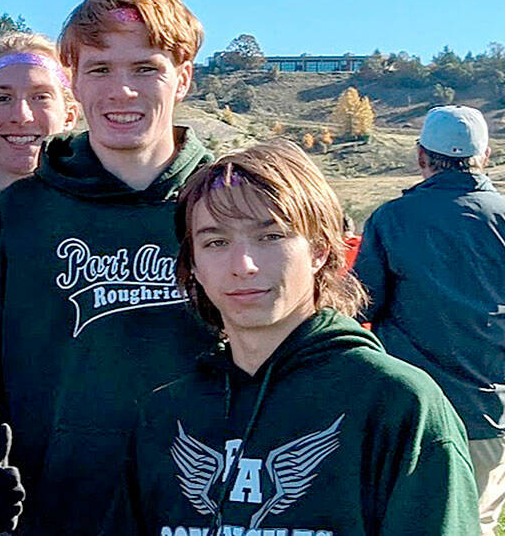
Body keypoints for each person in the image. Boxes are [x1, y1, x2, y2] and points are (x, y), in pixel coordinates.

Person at [0, 0, 216, 535]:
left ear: (182, 78)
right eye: (101, 69)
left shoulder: (231, 210)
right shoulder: (16, 220)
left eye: (145, 69)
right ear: (75, 84)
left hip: (205, 518)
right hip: (53, 516)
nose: (122, 91)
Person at [101, 140, 477, 535]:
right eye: (216, 242)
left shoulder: (396, 403)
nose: (242, 265)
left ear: (319, 250)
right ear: (192, 264)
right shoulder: (168, 415)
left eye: (270, 237)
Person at [355, 104, 505, 535]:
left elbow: (361, 305)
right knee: (474, 523)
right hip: (489, 413)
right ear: (486, 155)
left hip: (406, 413)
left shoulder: (392, 219)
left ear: (422, 156)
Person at [0, 31, 79, 222]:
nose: (21, 116)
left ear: (69, 116)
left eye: (40, 97)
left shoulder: (107, 226)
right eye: (3, 98)